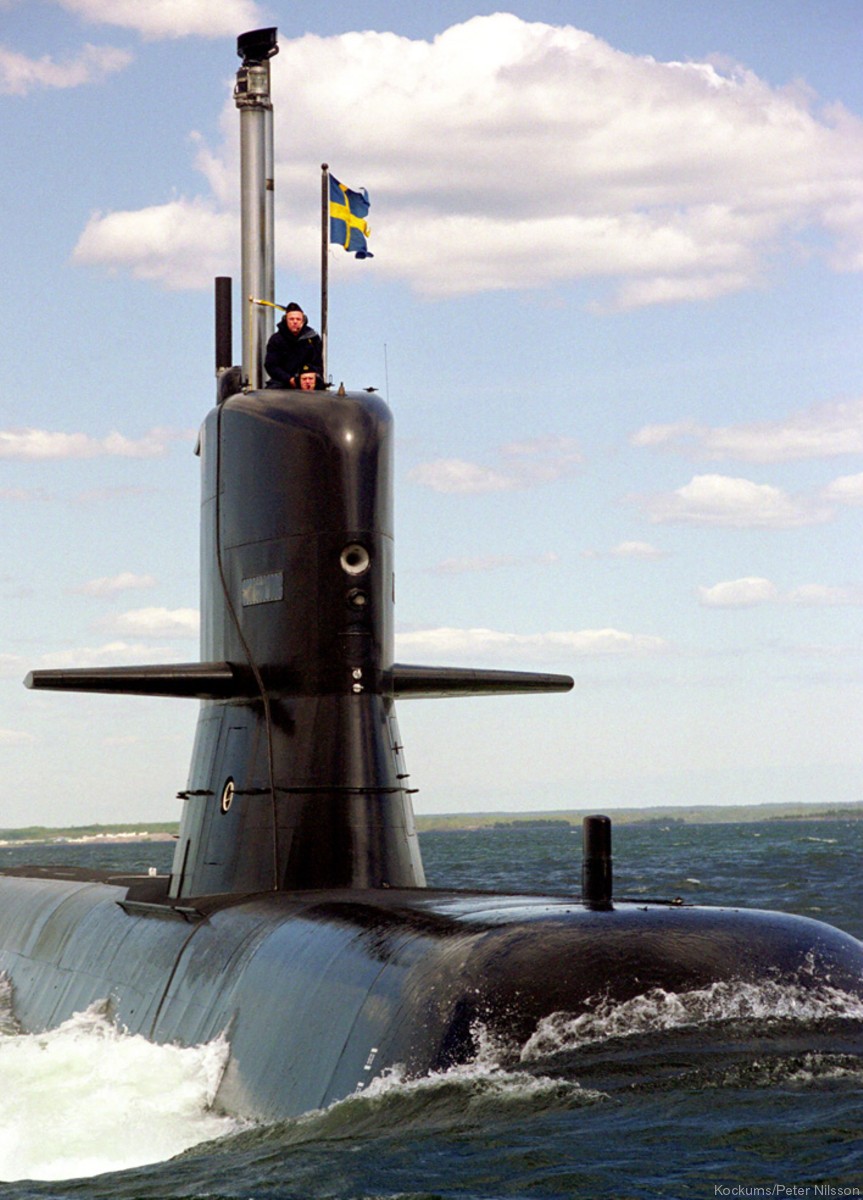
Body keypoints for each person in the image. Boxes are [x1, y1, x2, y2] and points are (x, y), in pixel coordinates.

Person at [264, 303, 324, 389]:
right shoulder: (276, 340)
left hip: (307, 379)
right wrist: (289, 379)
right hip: (282, 381)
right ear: (286, 320)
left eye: (298, 319)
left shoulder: (313, 338)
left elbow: (317, 363)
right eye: (291, 319)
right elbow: (271, 365)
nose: (295, 322)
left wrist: (308, 378)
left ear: (303, 321)